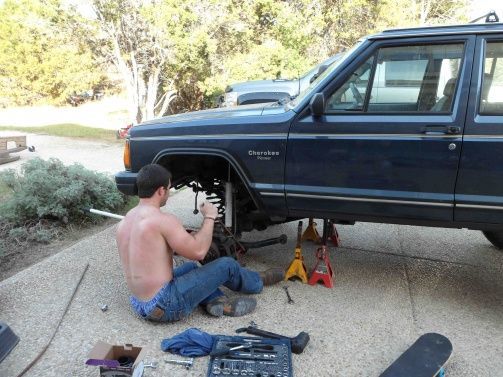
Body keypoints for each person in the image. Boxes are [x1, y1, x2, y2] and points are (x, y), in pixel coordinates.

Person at [116, 163, 284, 322]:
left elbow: (159, 250)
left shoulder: (125, 222)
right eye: (168, 188)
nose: (168, 192)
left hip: (140, 303)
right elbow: (199, 252)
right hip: (164, 305)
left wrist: (191, 236)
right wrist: (210, 216)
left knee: (190, 267)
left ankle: (216, 301)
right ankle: (257, 281)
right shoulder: (163, 220)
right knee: (226, 265)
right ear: (161, 191)